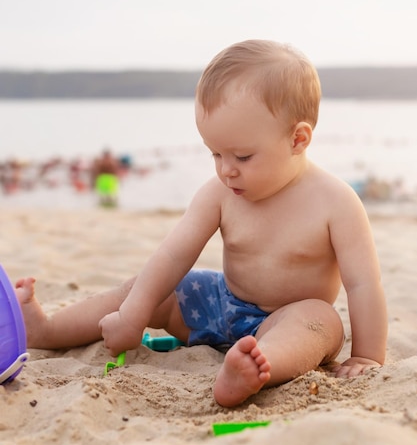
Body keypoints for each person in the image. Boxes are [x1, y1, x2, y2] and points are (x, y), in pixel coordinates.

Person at [15, 39, 387, 408]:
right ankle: (47, 330)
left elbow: (362, 284)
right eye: (215, 153)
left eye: (242, 156)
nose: (226, 169)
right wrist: (134, 315)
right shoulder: (219, 192)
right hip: (219, 302)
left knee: (320, 321)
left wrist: (367, 355)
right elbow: (174, 255)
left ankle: (253, 368)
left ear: (297, 139)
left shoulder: (335, 203)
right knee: (145, 289)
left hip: (285, 319)